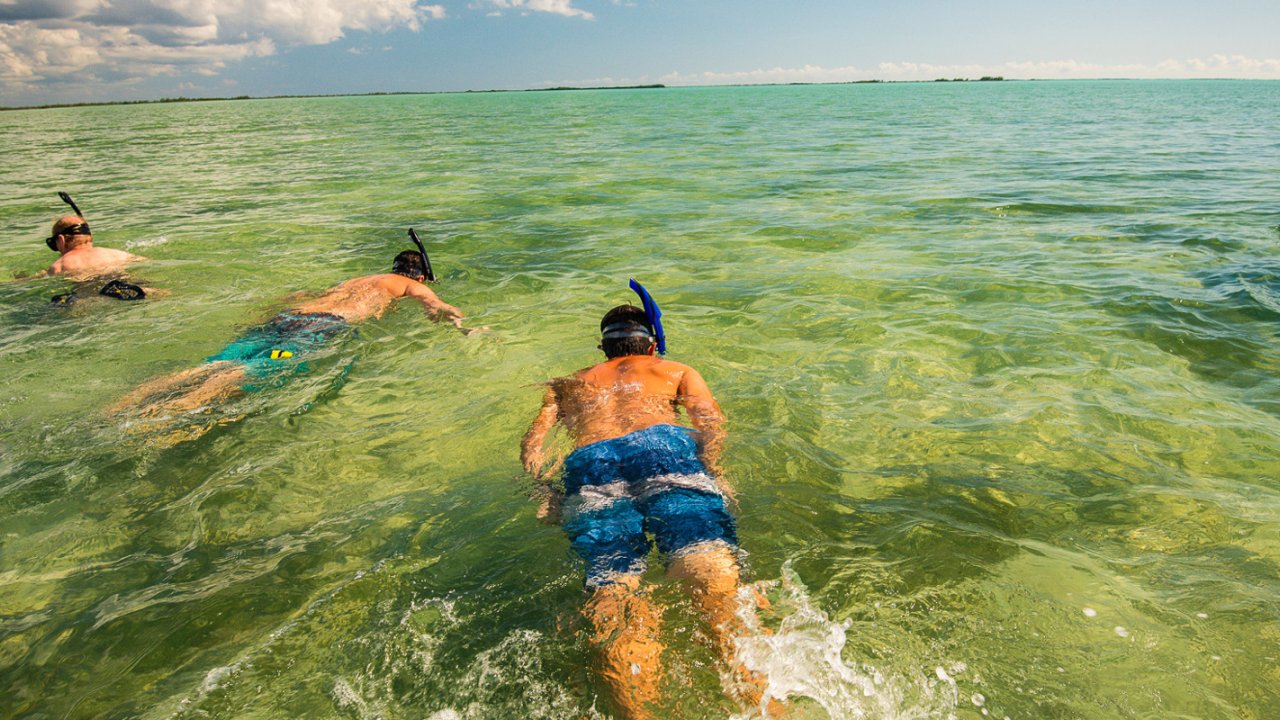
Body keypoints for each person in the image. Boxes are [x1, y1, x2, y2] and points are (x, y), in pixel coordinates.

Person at [521, 284, 779, 720]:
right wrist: (714, 473)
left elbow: (532, 448)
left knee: (614, 587)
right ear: (653, 343)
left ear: (602, 347)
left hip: (592, 463)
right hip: (664, 450)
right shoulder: (676, 370)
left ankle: (637, 710)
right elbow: (711, 426)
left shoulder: (564, 385)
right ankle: (761, 703)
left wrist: (546, 492)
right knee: (706, 570)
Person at [111, 250, 476, 422]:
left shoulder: (354, 281)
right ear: (421, 276)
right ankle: (158, 417)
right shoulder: (404, 286)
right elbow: (435, 305)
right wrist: (463, 325)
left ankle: (125, 404)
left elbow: (293, 298)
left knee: (216, 364)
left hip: (285, 318)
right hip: (320, 329)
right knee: (246, 372)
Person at [42, 214, 145, 280]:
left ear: (61, 240)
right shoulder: (118, 254)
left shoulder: (59, 266)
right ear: (90, 236)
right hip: (125, 281)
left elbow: (45, 278)